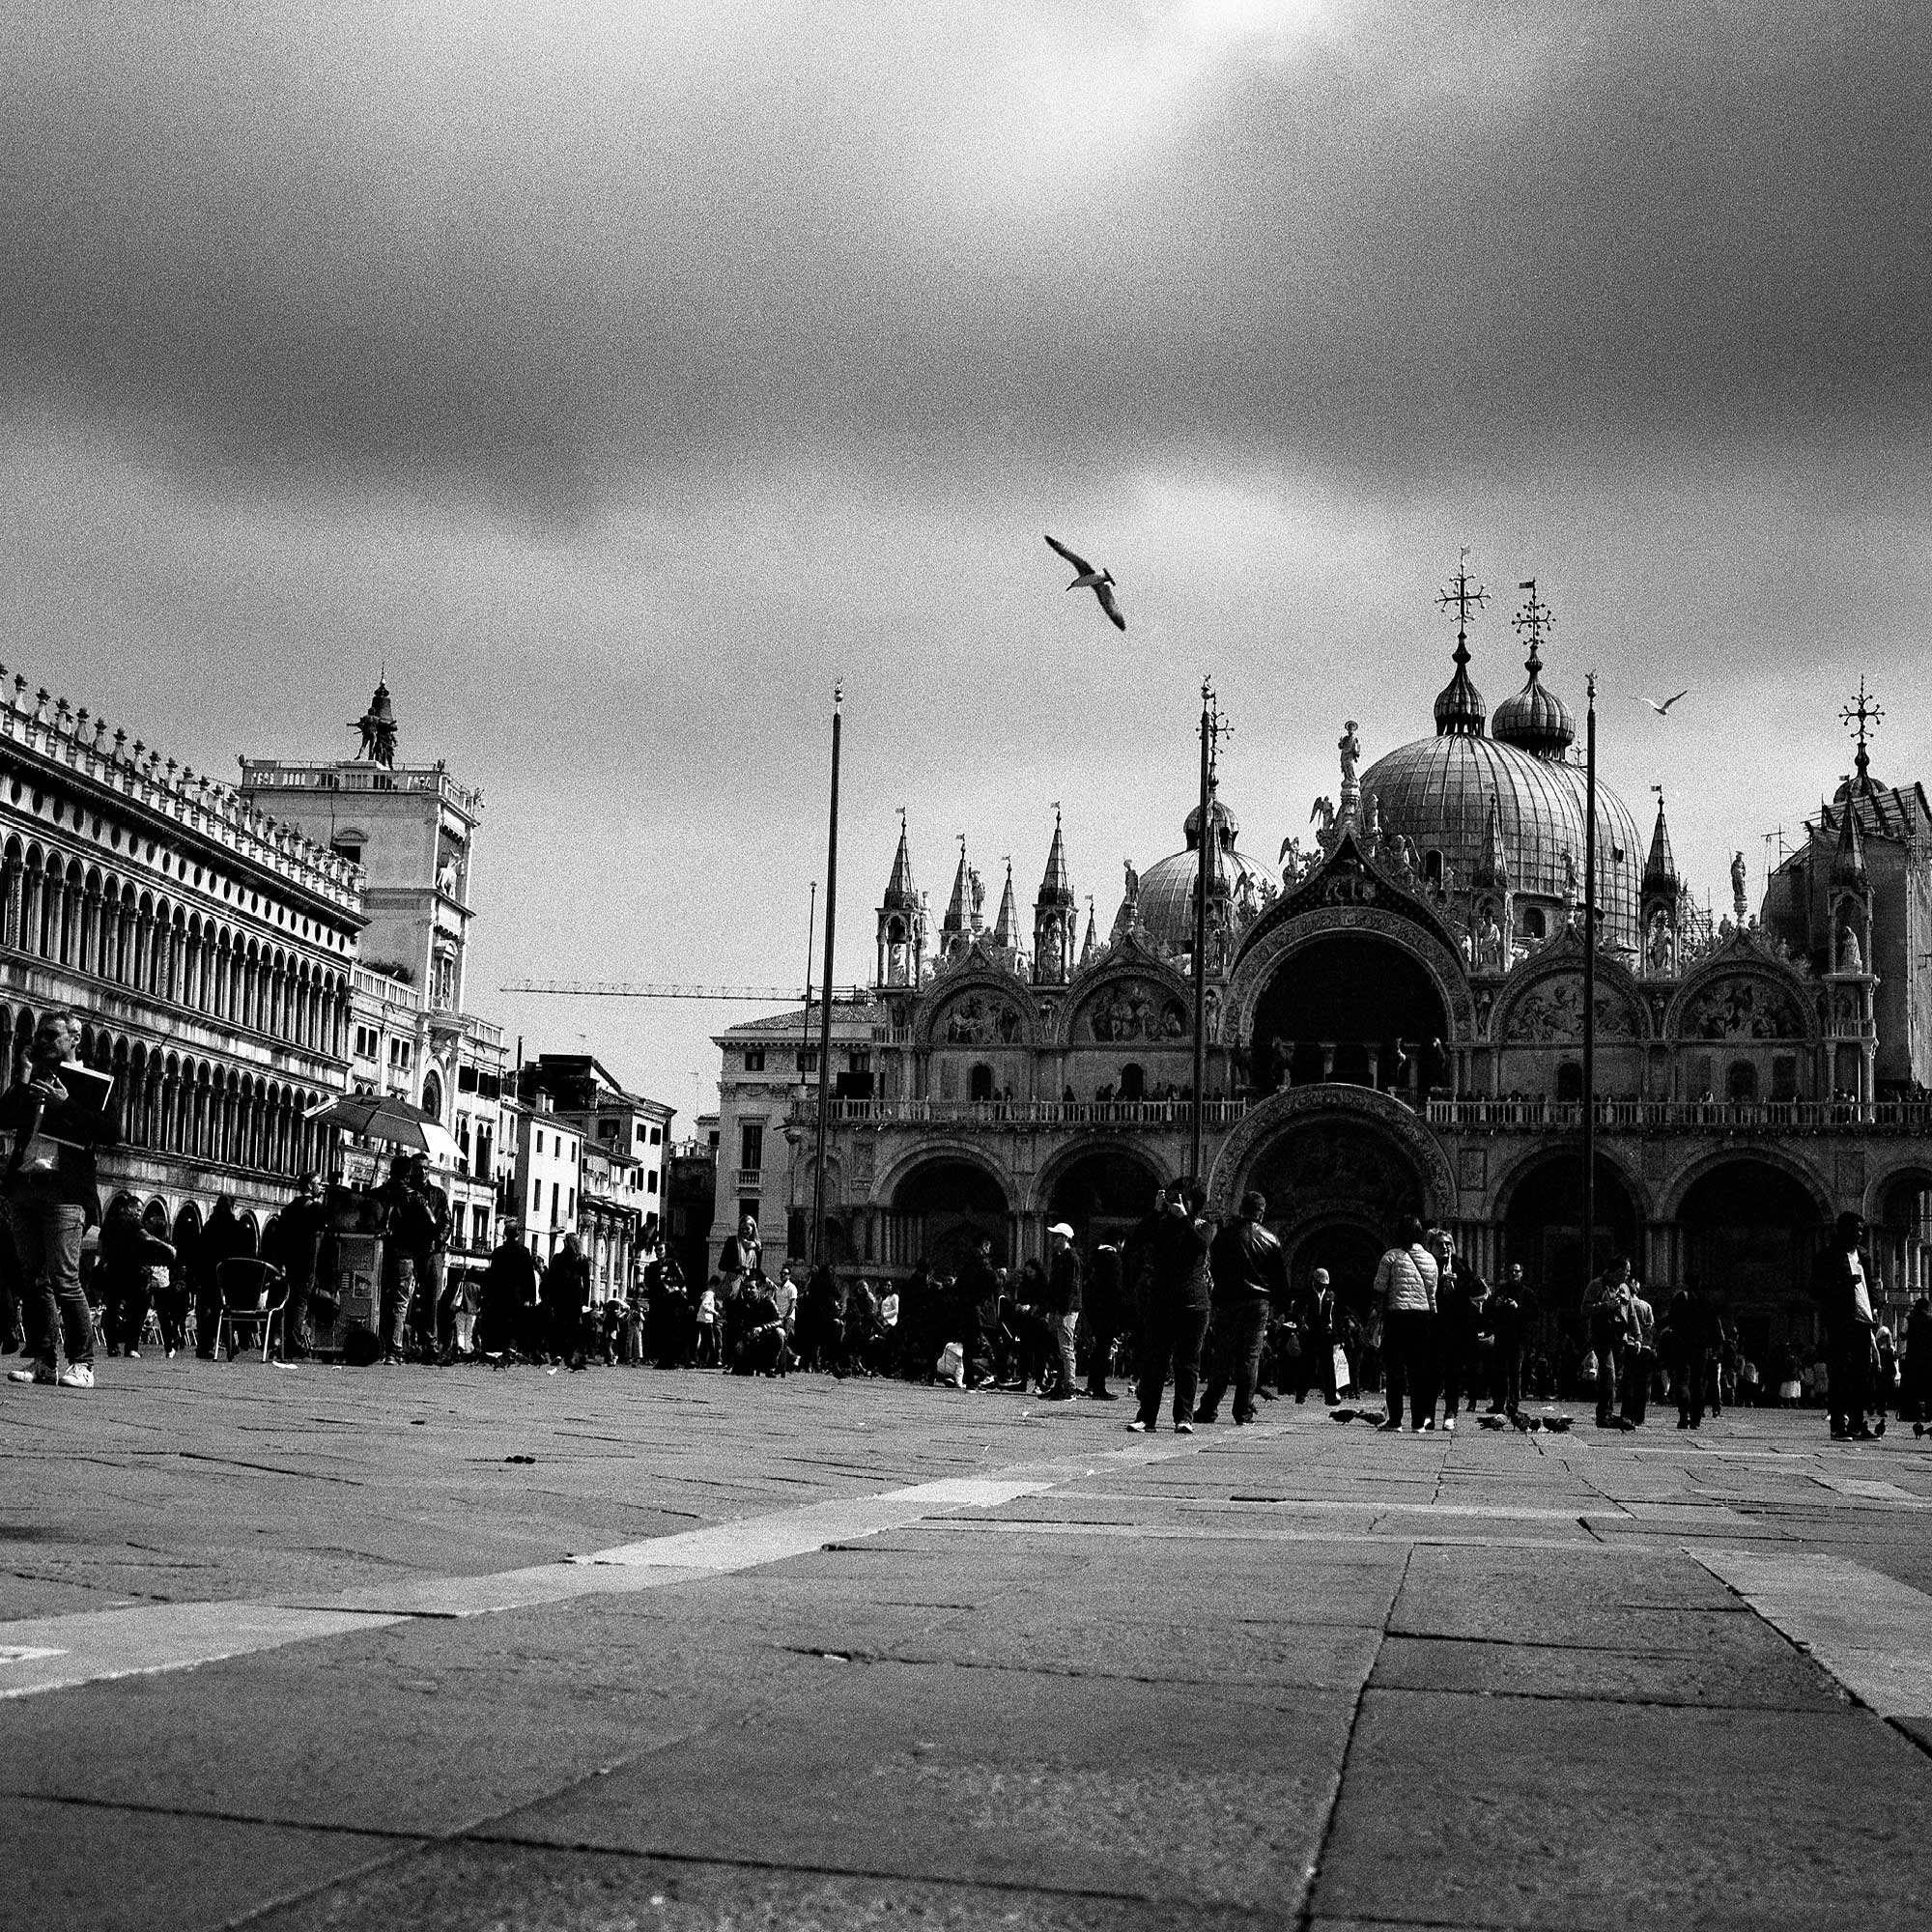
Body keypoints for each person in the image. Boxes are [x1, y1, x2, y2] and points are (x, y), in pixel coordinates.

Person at [1, 1013, 118, 1389]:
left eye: (51, 1035)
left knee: (65, 1279)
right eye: (39, 1035)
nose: (43, 1041)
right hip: (26, 1184)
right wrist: (22, 1072)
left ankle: (83, 1362)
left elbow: (111, 1132)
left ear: (74, 1038)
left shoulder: (91, 1083)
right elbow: (3, 1116)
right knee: (34, 1280)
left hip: (64, 1191)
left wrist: (66, 1105)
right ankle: (44, 1360)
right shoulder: (32, 1079)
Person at [1129, 1179, 1214, 1435]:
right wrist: (1156, 1211)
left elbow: (1200, 1246)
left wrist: (1183, 1219)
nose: (1175, 1202)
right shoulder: (1161, 1224)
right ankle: (1146, 1417)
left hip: (1192, 1303)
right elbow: (1138, 1239)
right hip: (1162, 1301)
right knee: (1155, 1360)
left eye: (1181, 1198)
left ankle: (1184, 1416)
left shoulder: (1203, 1227)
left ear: (1192, 1203)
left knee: (1187, 1362)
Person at [1197, 1191, 1288, 1426]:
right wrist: (1280, 1307)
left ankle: (1208, 1408)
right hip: (1258, 1303)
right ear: (1261, 1212)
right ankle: (1243, 1412)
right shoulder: (1271, 1239)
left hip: (1228, 1300)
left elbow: (1214, 1269)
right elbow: (1279, 1279)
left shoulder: (1224, 1236)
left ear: (1241, 1208)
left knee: (1223, 1355)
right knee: (1250, 1356)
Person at [1810, 1210, 1882, 1440]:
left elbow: (1870, 1285)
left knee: (1861, 1376)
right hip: (1841, 1320)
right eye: (1854, 1229)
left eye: (1861, 1230)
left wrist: (1875, 1308)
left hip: (1863, 1319)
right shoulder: (1828, 1256)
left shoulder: (1863, 1255)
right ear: (1841, 1231)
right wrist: (1843, 1283)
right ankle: (1838, 1426)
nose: (1859, 1234)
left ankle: (1858, 1425)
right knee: (1839, 1374)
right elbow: (1816, 1289)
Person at [1374, 1215, 1438, 1432]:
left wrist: (1376, 1319)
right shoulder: (1431, 1259)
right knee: (1419, 1371)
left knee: (1395, 1370)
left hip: (1398, 1317)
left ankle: (1395, 1420)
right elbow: (1432, 1293)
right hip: (1423, 1318)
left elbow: (1379, 1289)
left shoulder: (1390, 1257)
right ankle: (1418, 1422)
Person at [1429, 1227, 1487, 1432]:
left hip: (1457, 1327)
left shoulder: (1461, 1265)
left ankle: (1450, 1412)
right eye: (1440, 1244)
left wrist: (1459, 1284)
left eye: (1448, 1244)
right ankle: (1428, 1413)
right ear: (1431, 1247)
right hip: (1433, 1325)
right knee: (1432, 1371)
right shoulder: (1428, 1265)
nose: (1445, 1247)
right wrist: (1439, 1283)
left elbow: (1476, 1290)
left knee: (1453, 1371)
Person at [98, 1195, 171, 1359]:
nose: (139, 1214)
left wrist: (104, 1261)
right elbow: (146, 1237)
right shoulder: (133, 1222)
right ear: (130, 1208)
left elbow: (100, 1244)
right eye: (138, 1210)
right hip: (132, 1271)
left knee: (112, 1309)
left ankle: (112, 1346)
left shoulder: (109, 1222)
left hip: (113, 1270)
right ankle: (131, 1347)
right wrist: (167, 1247)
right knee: (137, 1310)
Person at [269, 1173, 328, 1359]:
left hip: (290, 1262)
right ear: (310, 1186)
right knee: (301, 1301)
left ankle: (284, 1339)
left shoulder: (288, 1209)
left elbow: (279, 1238)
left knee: (290, 1301)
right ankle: (293, 1341)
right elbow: (325, 1226)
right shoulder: (315, 1208)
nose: (321, 1187)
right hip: (307, 1262)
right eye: (319, 1184)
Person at [194, 1195, 254, 1361]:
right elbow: (246, 1256)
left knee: (208, 1310)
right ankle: (230, 1342)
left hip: (209, 1277)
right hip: (231, 1280)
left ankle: (205, 1346)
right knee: (224, 1309)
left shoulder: (208, 1227)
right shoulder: (238, 1228)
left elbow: (200, 1253)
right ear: (232, 1208)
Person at [1581, 1255, 1635, 1430]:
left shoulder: (1625, 1288)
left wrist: (1638, 1335)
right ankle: (1604, 1414)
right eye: (1626, 1271)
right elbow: (1585, 1309)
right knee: (1609, 1375)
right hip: (1602, 1337)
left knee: (1616, 1378)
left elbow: (1631, 1312)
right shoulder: (1596, 1285)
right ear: (1618, 1271)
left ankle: (1607, 1412)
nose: (1628, 1275)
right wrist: (1607, 1306)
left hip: (1620, 1339)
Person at [1662, 1283, 1719, 1429]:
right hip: (1701, 1347)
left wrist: (1658, 1325)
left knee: (1681, 1380)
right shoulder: (1705, 1299)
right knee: (1698, 1382)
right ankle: (1696, 1419)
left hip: (1682, 1345)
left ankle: (1683, 1415)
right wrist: (1717, 1344)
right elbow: (1714, 1322)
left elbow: (1671, 1317)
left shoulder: (1681, 1298)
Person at [479, 1231, 539, 1359]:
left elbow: (492, 1275)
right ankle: (511, 1349)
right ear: (517, 1235)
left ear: (505, 1234)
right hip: (519, 1295)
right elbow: (529, 1276)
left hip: (500, 1294)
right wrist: (531, 1297)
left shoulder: (498, 1252)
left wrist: (488, 1294)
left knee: (502, 1321)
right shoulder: (524, 1252)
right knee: (516, 1323)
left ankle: (502, 1349)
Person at [1041, 1222, 1082, 1402]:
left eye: (1057, 1236)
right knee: (1058, 1347)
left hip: (1067, 1309)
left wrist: (1063, 1310)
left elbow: (1071, 1287)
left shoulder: (1071, 1258)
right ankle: (1060, 1385)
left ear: (1064, 1238)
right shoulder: (1059, 1258)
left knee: (1066, 1348)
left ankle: (1070, 1387)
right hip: (1059, 1308)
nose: (1053, 1239)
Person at [956, 1235, 1002, 1389]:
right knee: (991, 1343)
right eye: (988, 1246)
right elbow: (993, 1280)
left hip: (966, 1307)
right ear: (984, 1245)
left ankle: (970, 1381)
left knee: (968, 1345)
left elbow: (959, 1285)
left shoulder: (966, 1261)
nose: (989, 1250)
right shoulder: (982, 1261)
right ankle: (995, 1375)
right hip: (980, 1309)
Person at [1488, 1263, 1530, 1418]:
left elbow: (1534, 1314)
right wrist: (1495, 1305)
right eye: (1511, 1271)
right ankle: (1499, 1404)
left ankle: (1513, 1404)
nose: (1513, 1274)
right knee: (1500, 1372)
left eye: (1516, 1271)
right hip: (1501, 1336)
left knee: (1514, 1373)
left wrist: (1518, 1307)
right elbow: (1487, 1308)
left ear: (1521, 1273)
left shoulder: (1527, 1293)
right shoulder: (1501, 1291)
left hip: (1518, 1338)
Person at [1083, 1240, 1123, 1400]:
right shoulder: (1113, 1259)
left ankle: (1092, 1384)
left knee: (1097, 1349)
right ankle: (1099, 1387)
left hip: (1092, 1310)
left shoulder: (1093, 1258)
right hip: (1107, 1311)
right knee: (1103, 1349)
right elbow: (1116, 1288)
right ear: (1119, 1242)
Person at [1622, 1273, 1657, 1427]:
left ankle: (1627, 1413)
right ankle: (1639, 1416)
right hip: (1644, 1348)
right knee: (1642, 1383)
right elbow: (1651, 1327)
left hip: (1628, 1345)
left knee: (1628, 1380)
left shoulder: (1625, 1304)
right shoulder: (1646, 1306)